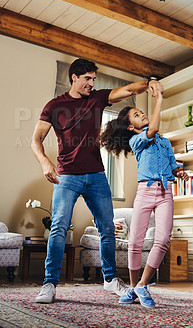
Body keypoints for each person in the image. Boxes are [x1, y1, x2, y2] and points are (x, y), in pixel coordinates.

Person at [31, 58, 163, 303]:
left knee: (107, 229)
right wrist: (45, 163)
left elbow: (130, 89)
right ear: (74, 77)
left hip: (96, 175)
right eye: (87, 79)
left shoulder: (98, 98)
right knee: (59, 227)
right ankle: (49, 284)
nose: (92, 83)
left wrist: (150, 83)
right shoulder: (54, 105)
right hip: (67, 175)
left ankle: (111, 280)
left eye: (94, 79)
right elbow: (36, 139)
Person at [100, 90, 188, 308]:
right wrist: (159, 100)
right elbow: (154, 128)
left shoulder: (165, 143)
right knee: (135, 243)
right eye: (137, 116)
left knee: (163, 239)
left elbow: (173, 165)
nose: (142, 115)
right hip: (144, 193)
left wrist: (179, 172)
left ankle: (142, 284)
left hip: (166, 191)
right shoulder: (137, 141)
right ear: (131, 127)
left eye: (141, 113)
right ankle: (132, 287)